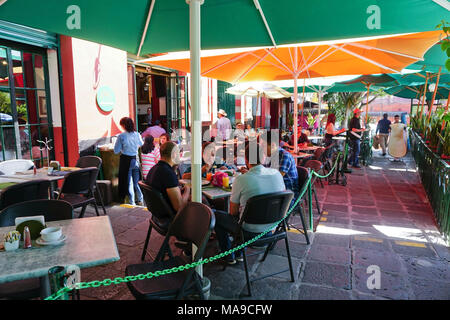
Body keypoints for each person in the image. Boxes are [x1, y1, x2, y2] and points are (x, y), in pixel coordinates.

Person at [213, 143, 286, 265]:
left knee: (215, 216)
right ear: (263, 158)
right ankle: (239, 253)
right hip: (272, 228)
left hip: (249, 231)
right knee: (243, 216)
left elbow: (233, 212)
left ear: (246, 160)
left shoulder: (241, 180)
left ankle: (229, 255)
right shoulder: (277, 174)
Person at [145, 141, 190, 213]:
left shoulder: (154, 169)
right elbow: (179, 207)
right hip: (170, 215)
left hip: (157, 213)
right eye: (179, 152)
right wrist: (188, 188)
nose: (180, 155)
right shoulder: (168, 174)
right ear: (174, 154)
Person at [114, 117, 144, 206]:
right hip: (136, 159)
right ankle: (140, 199)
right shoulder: (137, 134)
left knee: (129, 182)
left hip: (126, 160)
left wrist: (124, 147)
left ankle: (132, 202)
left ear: (123, 125)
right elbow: (141, 144)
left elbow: (116, 151)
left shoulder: (121, 136)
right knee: (136, 182)